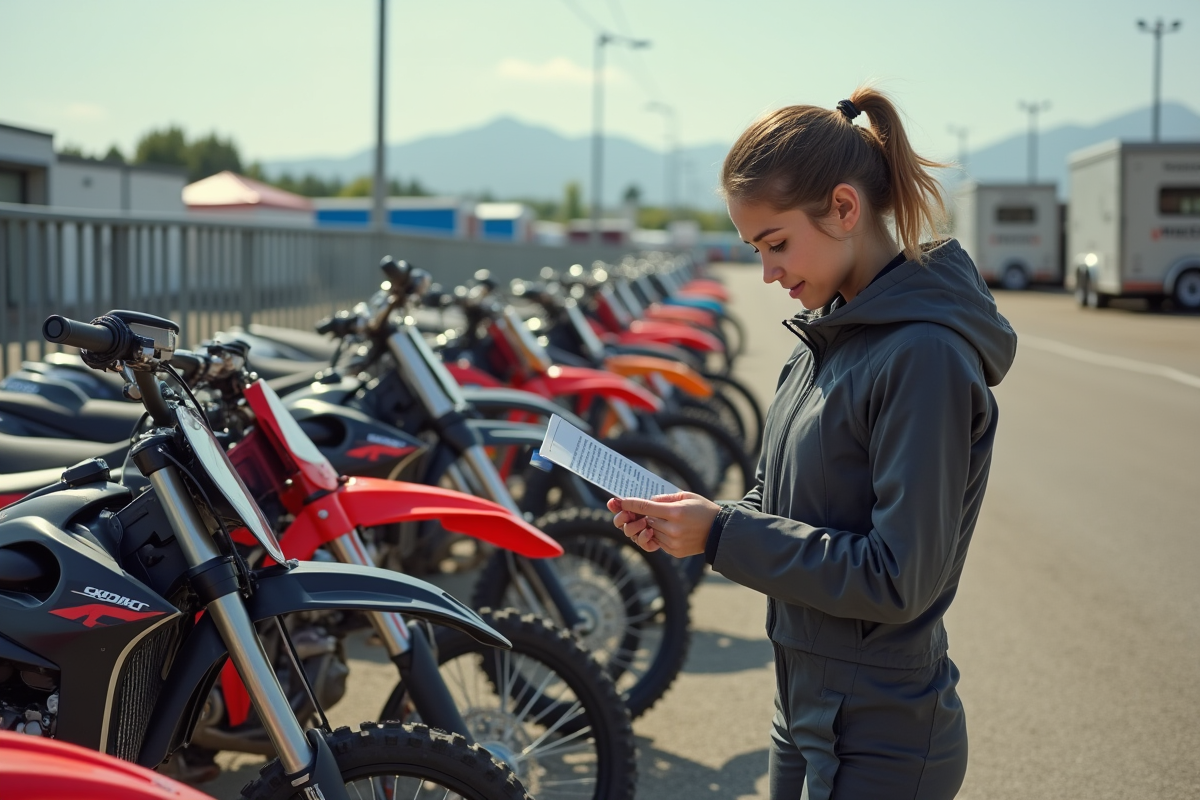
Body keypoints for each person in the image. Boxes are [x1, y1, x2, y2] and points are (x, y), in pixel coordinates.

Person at [608, 87, 1018, 799]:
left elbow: (897, 578)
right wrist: (694, 521)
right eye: (754, 249)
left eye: (776, 244)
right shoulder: (821, 340)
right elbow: (781, 504)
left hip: (881, 736)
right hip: (802, 712)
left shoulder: (923, 356)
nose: (767, 272)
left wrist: (722, 535)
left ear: (845, 209)